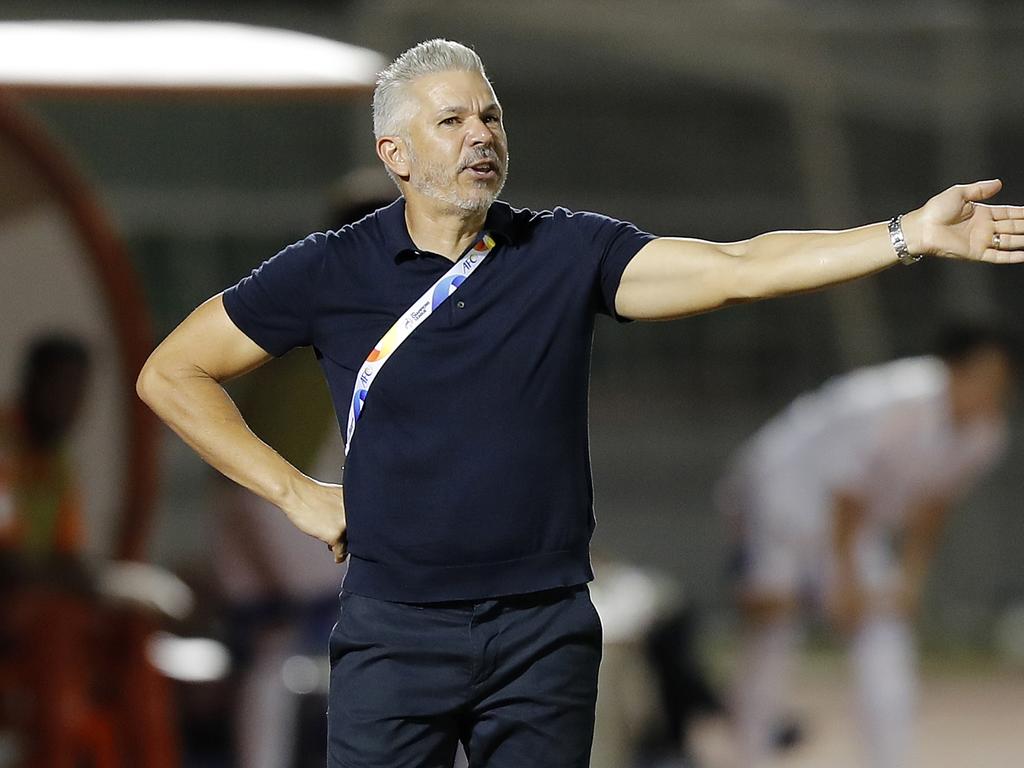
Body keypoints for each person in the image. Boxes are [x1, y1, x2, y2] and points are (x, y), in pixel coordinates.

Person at [136, 38, 1024, 767]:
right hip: (393, 631)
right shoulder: (329, 269)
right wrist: (297, 493)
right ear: (395, 155)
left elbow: (737, 269)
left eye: (490, 115)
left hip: (544, 632)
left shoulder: (564, 253)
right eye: (451, 121)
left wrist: (904, 236)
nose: (480, 134)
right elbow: (171, 373)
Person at [718, 321, 1018, 768]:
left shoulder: (986, 432)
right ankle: (750, 753)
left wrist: (911, 578)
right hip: (785, 488)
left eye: (1002, 384)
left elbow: (935, 505)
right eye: (983, 378)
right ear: (953, 370)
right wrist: (844, 581)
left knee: (886, 629)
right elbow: (846, 489)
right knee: (774, 623)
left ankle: (890, 758)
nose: (992, 392)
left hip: (854, 521)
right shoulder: (897, 400)